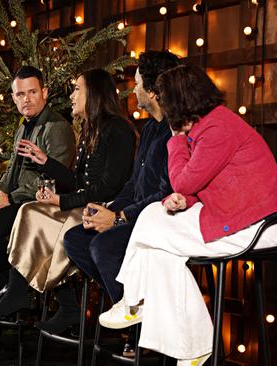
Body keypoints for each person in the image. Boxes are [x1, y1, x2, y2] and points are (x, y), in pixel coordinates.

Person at [97, 64, 277, 366]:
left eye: (164, 97)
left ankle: (137, 302)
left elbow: (184, 179)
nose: (161, 103)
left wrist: (175, 141)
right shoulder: (211, 124)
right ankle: (183, 341)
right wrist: (184, 199)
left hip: (259, 226)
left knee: (153, 229)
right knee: (157, 233)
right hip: (238, 211)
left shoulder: (216, 129)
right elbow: (199, 181)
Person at [0, 69, 136, 327]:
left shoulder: (117, 129)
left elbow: (108, 188)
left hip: (105, 209)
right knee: (31, 210)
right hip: (86, 203)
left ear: (94, 94)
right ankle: (45, 300)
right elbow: (78, 181)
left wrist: (61, 202)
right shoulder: (90, 128)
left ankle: (34, 297)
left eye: (77, 89)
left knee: (35, 215)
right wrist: (46, 164)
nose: (72, 95)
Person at [62, 51, 179, 354]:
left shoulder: (173, 131)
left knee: (103, 246)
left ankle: (142, 328)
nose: (134, 89)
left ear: (153, 91)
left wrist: (118, 218)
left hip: (161, 219)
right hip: (135, 214)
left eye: (138, 83)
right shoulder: (151, 127)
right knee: (75, 238)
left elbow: (165, 195)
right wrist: (109, 211)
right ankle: (133, 307)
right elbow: (132, 186)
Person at [0, 66, 76, 301]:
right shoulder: (22, 127)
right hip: (14, 198)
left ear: (44, 93)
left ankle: (12, 286)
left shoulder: (57, 127)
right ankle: (1, 284)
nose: (26, 100)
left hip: (37, 204)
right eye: (20, 94)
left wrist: (10, 199)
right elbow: (11, 171)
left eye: (32, 92)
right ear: (13, 97)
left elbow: (54, 180)